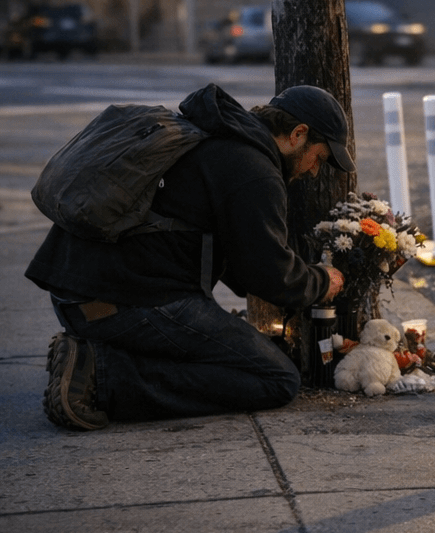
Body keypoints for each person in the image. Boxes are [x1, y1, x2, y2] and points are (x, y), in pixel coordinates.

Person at [29, 84, 354, 431]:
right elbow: (270, 276)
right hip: (127, 304)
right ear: (298, 134)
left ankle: (89, 357)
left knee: (227, 348)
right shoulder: (254, 169)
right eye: (318, 157)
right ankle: (100, 376)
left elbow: (242, 263)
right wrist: (323, 281)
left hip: (78, 297)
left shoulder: (218, 139)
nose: (315, 171)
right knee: (276, 379)